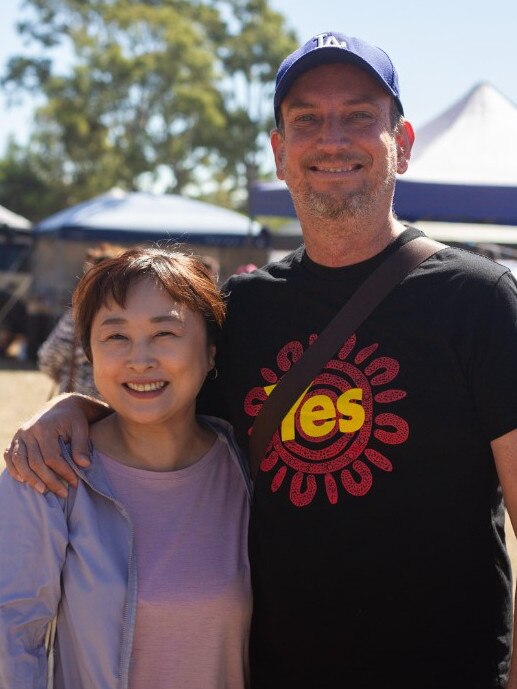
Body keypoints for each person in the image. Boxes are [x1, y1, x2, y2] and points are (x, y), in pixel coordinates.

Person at [5, 30, 517, 689]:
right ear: (279, 153)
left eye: (358, 115)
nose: (331, 138)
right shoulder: (242, 309)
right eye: (306, 120)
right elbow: (163, 408)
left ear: (403, 143)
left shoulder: (478, 300)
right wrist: (72, 405)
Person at [0, 247, 252, 689]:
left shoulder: (248, 466)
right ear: (90, 354)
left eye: (165, 333)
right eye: (115, 337)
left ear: (212, 353)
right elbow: (11, 635)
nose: (139, 359)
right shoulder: (47, 471)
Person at [37, 243, 126, 398]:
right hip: (119, 401)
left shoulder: (77, 316)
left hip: (77, 400)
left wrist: (61, 375)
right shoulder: (133, 316)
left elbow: (48, 356)